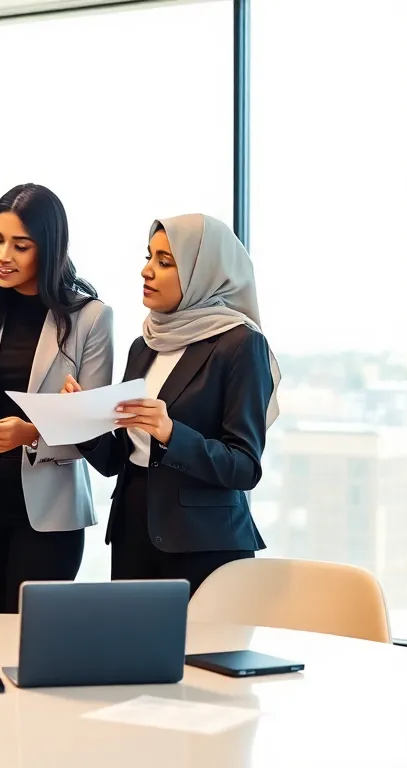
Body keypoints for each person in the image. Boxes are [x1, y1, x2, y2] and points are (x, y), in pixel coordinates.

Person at [67, 213, 280, 594]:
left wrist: (171, 434)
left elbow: (244, 466)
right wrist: (83, 419)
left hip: (203, 546)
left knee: (202, 655)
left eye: (165, 262)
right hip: (133, 534)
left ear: (203, 272)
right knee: (133, 653)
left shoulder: (240, 344)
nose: (147, 271)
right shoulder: (145, 343)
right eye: (149, 257)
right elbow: (118, 459)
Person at [0, 183, 113, 614]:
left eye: (21, 245)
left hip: (49, 516)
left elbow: (95, 424)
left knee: (30, 641)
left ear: (49, 249)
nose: (2, 255)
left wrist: (30, 434)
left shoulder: (90, 317)